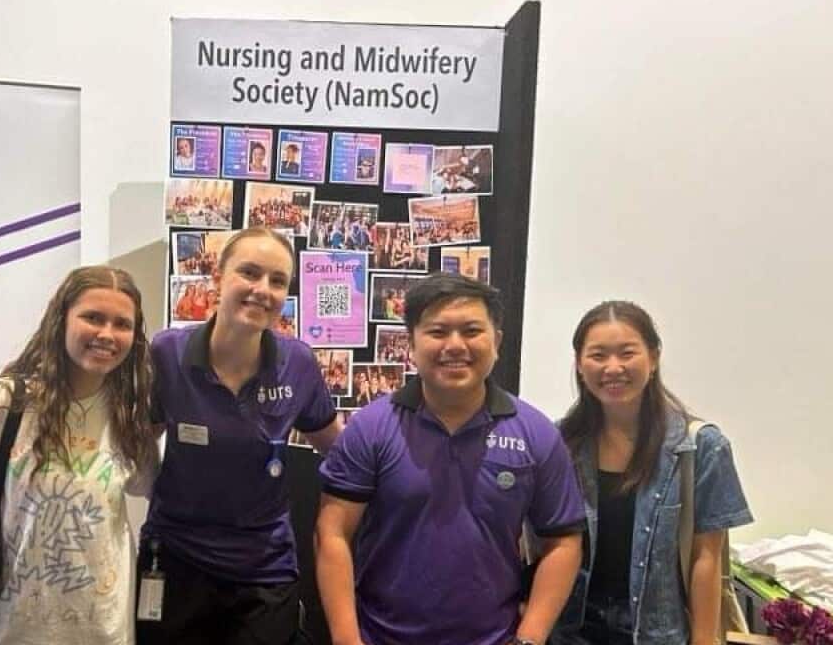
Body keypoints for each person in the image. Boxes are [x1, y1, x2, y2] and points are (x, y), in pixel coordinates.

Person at [316, 273, 585, 645]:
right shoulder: (371, 428)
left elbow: (563, 542)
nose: (455, 345)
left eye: (472, 330)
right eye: (438, 332)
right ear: (411, 343)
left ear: (497, 342)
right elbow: (332, 534)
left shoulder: (536, 433)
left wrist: (530, 638)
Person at [0, 266, 159, 645]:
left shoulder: (131, 414)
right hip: (9, 630)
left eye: (121, 324)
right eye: (92, 317)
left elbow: (147, 487)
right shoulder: (0, 404)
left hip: (104, 632)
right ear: (60, 319)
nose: (107, 334)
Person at [138, 226, 343, 645]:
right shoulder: (167, 354)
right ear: (218, 277)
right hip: (176, 560)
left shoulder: (298, 363)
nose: (262, 290)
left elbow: (338, 450)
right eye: (249, 273)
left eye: (277, 281)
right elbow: (136, 444)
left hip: (263, 571)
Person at [550, 302, 752, 645]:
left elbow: (706, 557)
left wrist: (704, 641)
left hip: (657, 633)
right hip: (570, 631)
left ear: (654, 358)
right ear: (579, 365)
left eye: (627, 353)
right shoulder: (558, 445)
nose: (613, 367)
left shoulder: (701, 446)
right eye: (598, 355)